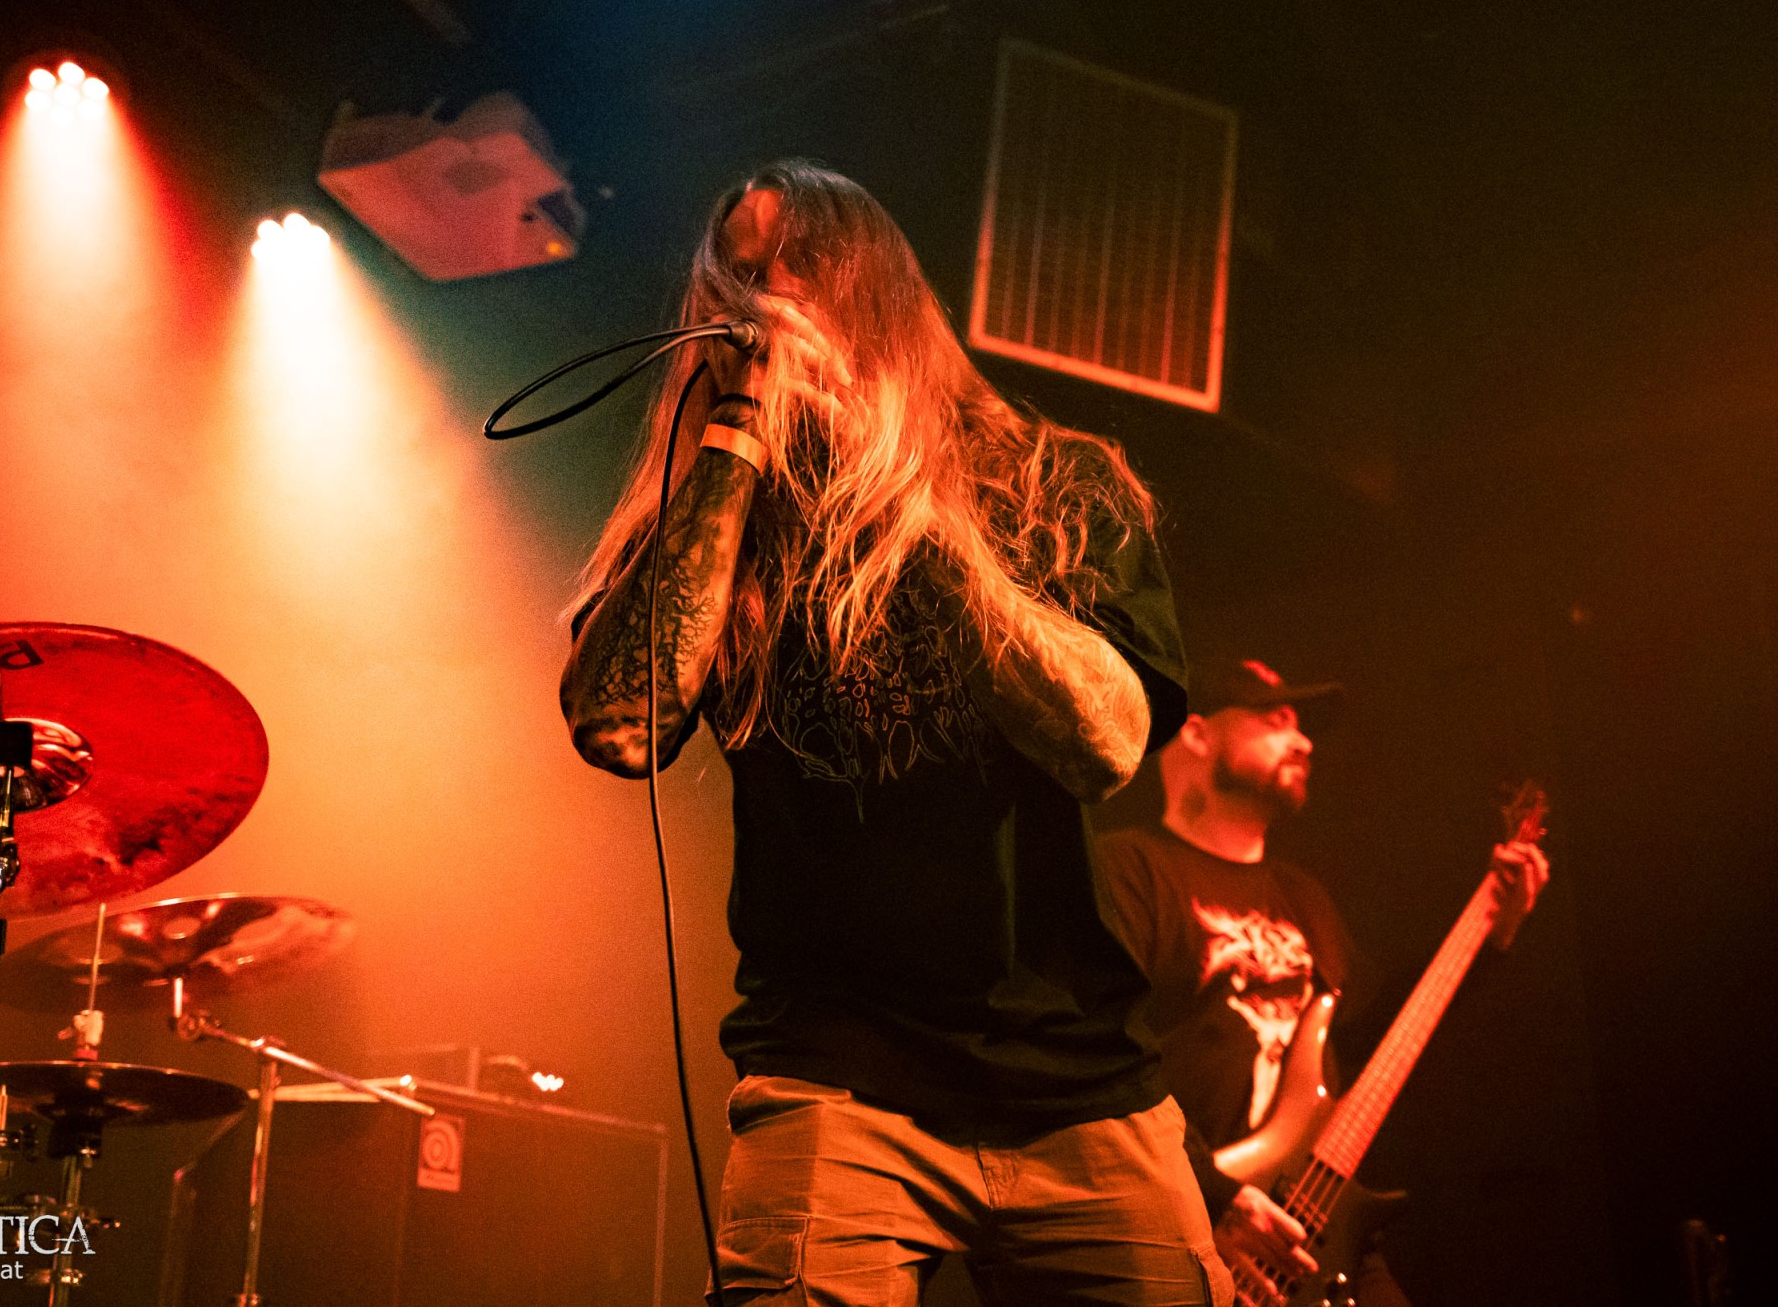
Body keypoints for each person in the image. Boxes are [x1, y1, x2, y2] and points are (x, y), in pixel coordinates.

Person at [560, 161, 1231, 1306]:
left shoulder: (1050, 483)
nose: (770, 297)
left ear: (875, 287)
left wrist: (893, 498)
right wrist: (735, 439)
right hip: (834, 1079)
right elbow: (620, 723)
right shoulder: (714, 508)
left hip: (1080, 1085)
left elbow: (1106, 740)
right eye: (743, 273)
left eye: (803, 265)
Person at [1090, 659, 1550, 1305]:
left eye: (1303, 726)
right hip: (1200, 1229)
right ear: (1196, 733)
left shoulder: (1302, 897)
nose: (1303, 740)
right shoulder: (1129, 872)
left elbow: (1368, 1050)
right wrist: (1214, 1200)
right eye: (1275, 719)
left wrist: (1488, 936)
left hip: (1321, 1233)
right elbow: (1103, 1053)